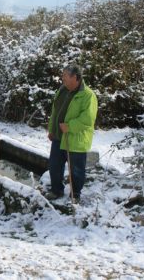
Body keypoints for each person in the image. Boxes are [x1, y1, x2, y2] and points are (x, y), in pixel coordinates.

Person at [46, 65, 98, 204]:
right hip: (58, 137)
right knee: (54, 166)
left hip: (75, 139)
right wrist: (52, 129)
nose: (62, 78)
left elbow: (88, 119)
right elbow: (55, 112)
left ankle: (75, 194)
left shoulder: (88, 95)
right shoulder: (62, 90)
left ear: (75, 77)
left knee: (76, 170)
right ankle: (56, 190)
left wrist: (70, 126)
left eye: (65, 76)